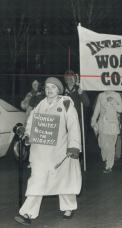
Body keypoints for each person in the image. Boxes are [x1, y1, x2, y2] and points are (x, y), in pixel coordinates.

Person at [14, 77, 82, 225]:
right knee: (37, 179)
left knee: (64, 179)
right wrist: (27, 136)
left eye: (53, 87)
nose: (49, 90)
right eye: (47, 87)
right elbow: (32, 123)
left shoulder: (66, 103)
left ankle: (69, 207)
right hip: (41, 151)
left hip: (60, 150)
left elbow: (73, 125)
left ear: (59, 89)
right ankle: (28, 213)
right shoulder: (40, 104)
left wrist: (74, 146)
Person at [91, 90, 122, 173]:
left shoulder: (117, 95)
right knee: (102, 144)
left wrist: (113, 102)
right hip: (102, 124)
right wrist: (93, 120)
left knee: (111, 146)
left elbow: (120, 109)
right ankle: (106, 158)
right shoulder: (101, 95)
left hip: (112, 124)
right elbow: (97, 109)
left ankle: (109, 165)